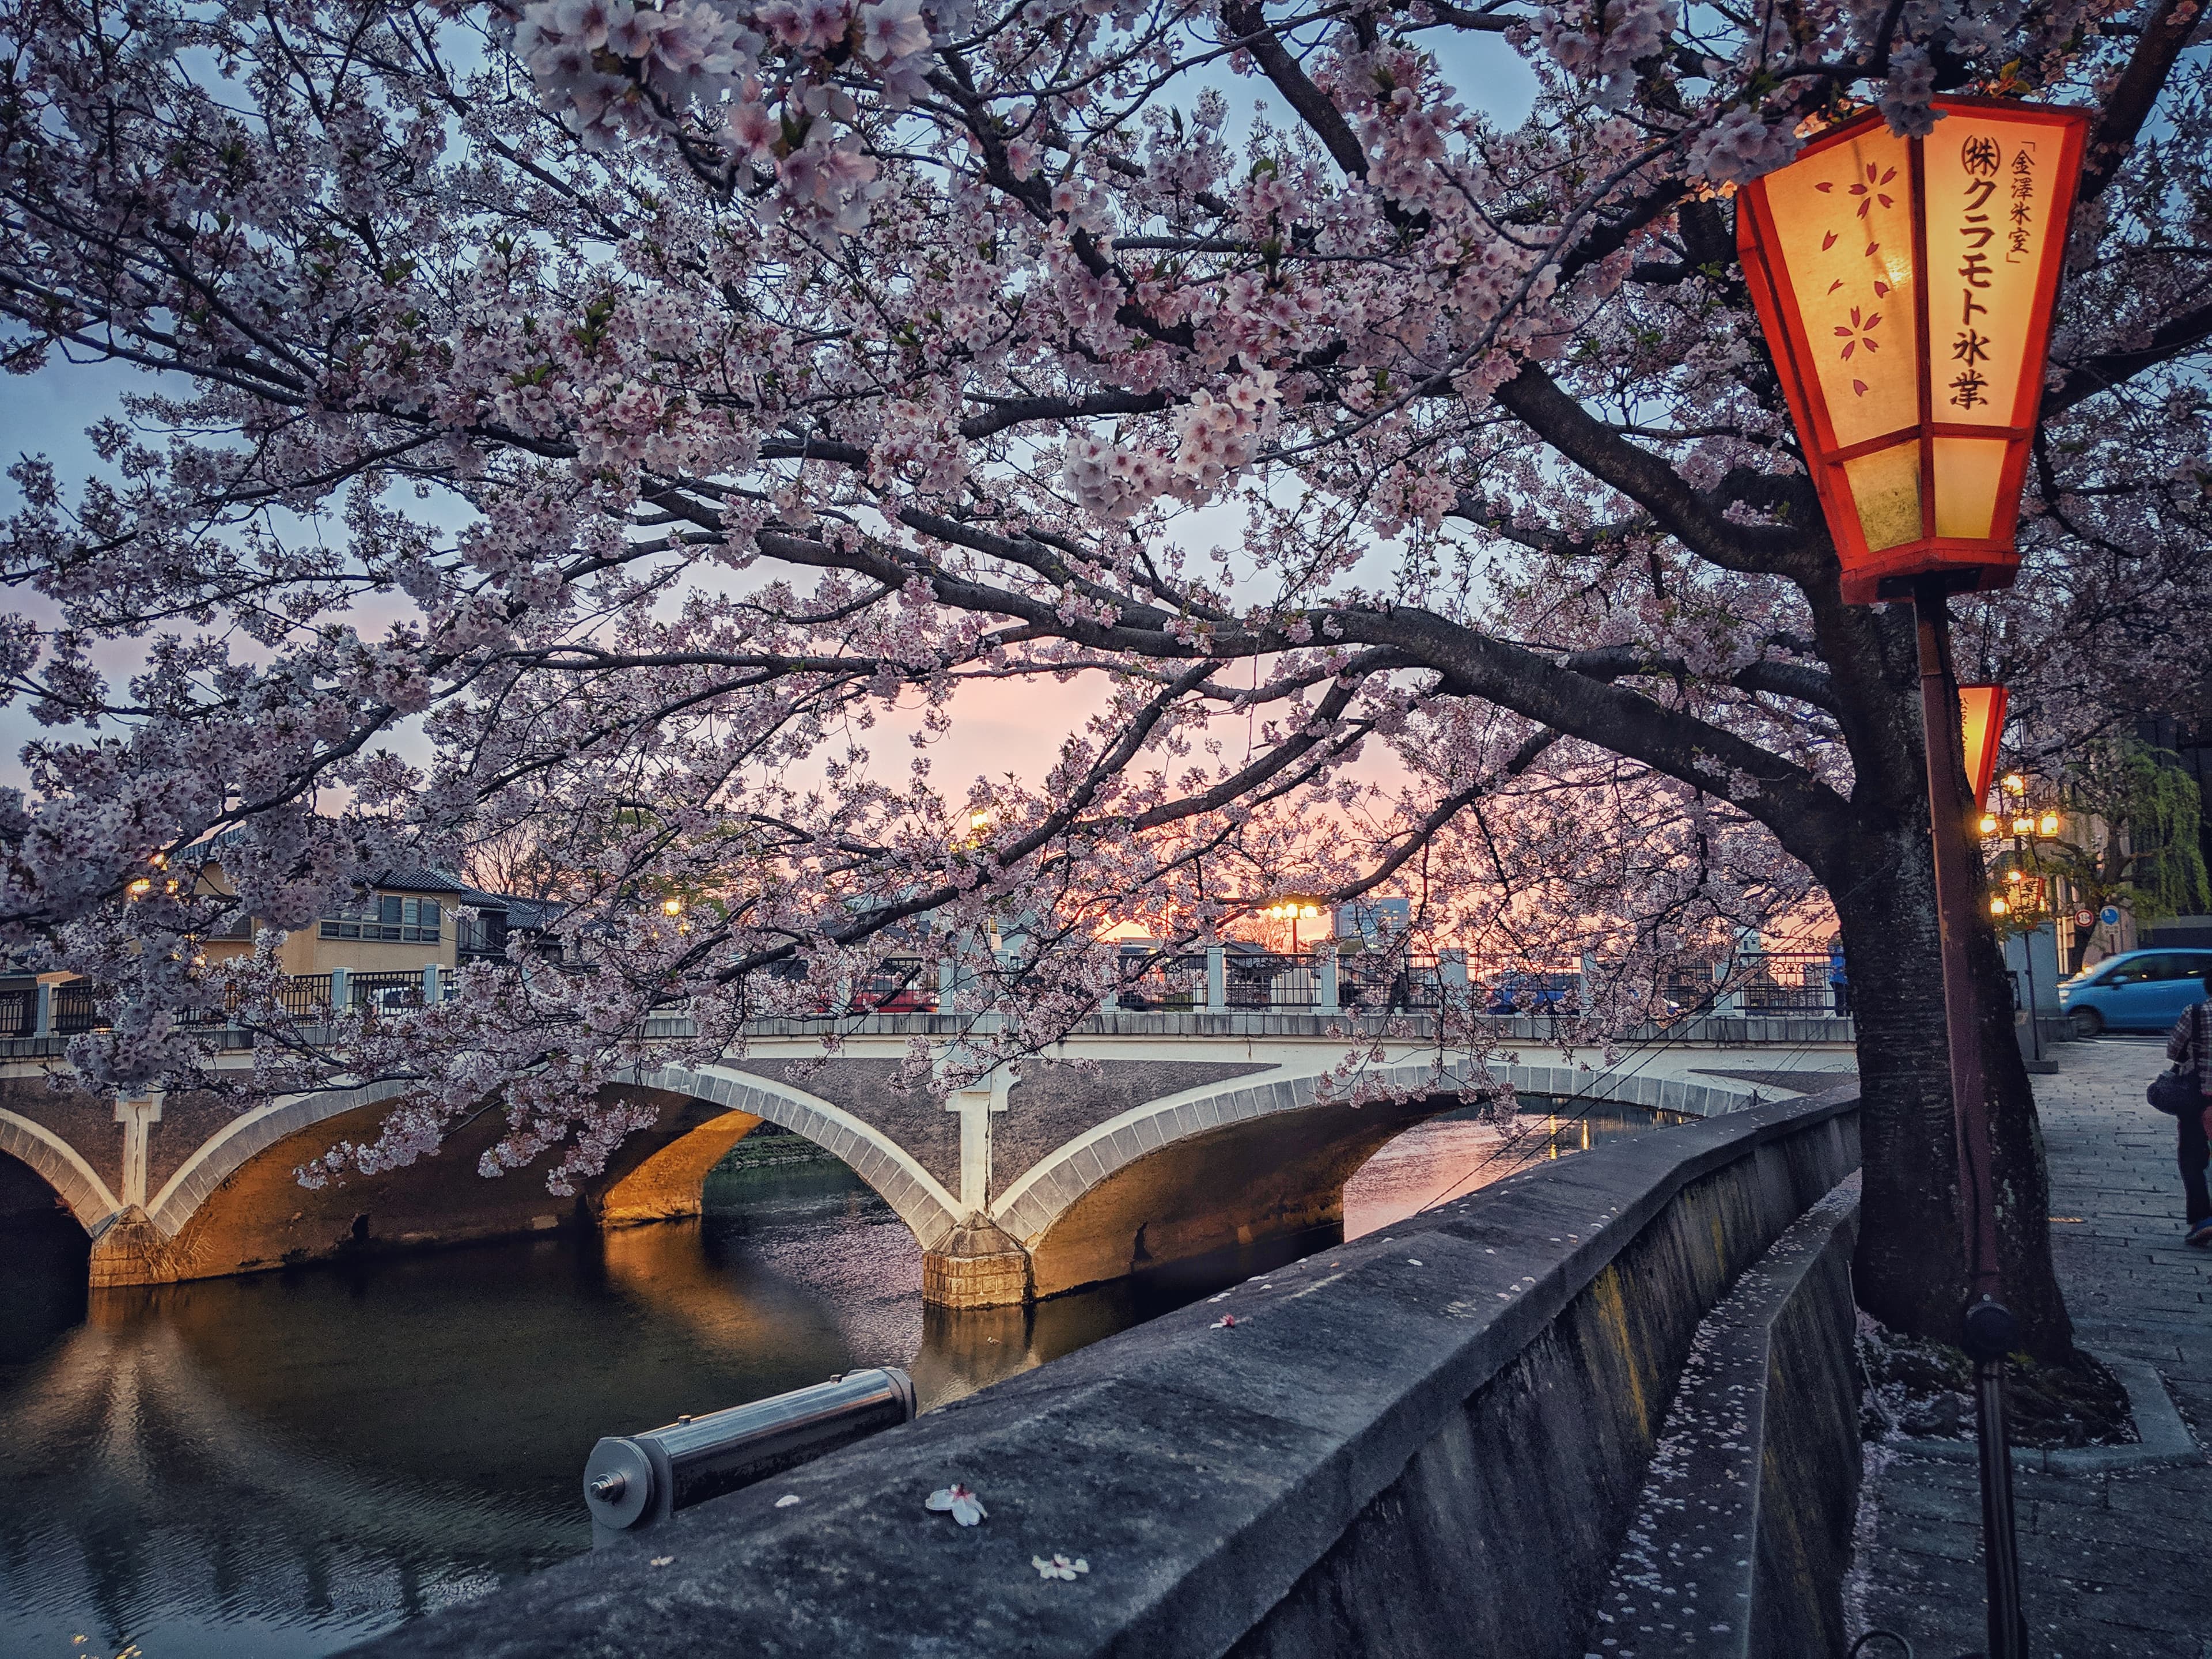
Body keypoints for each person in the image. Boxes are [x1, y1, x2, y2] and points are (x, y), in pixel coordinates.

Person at [2161, 971, 2212, 1247]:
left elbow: (2173, 1051)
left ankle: (2203, 1220)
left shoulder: (2195, 1013)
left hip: (2200, 1097)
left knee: (2192, 1160)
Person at [1827, 937, 1850, 1018]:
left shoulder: (1835, 949)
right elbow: (1841, 965)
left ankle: (1843, 1015)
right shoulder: (1840, 949)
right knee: (1843, 998)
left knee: (1841, 998)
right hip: (1840, 978)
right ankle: (1844, 1016)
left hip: (1836, 977)